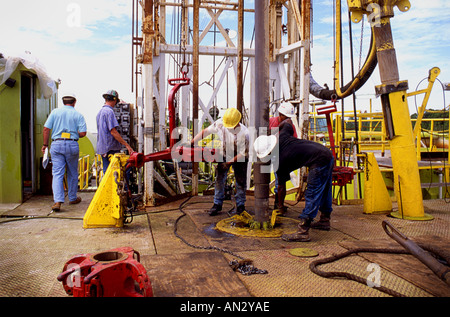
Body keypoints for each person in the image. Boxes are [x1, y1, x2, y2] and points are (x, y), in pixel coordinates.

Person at [255, 119, 334, 242]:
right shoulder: (282, 136)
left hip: (318, 161)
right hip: (326, 153)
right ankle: (325, 220)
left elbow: (281, 187)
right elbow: (288, 121)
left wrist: (279, 206)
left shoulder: (280, 161)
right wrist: (273, 130)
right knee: (325, 190)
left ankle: (303, 230)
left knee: (312, 193)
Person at [191, 108, 250, 216]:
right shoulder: (220, 124)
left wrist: (228, 163)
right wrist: (192, 142)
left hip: (240, 157)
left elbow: (242, 153)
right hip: (224, 153)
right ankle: (217, 204)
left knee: (240, 181)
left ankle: (240, 205)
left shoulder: (245, 134)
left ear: (237, 124)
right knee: (219, 178)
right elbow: (205, 132)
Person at [42, 93, 87, 211]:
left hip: (56, 144)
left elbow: (46, 129)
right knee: (72, 172)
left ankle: (57, 202)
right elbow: (83, 133)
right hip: (72, 144)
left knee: (57, 173)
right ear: (74, 102)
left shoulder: (55, 112)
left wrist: (45, 145)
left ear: (63, 101)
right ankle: (72, 198)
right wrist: (72, 132)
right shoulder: (78, 115)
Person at [96, 90, 134, 174]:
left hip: (102, 148)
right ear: (114, 100)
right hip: (110, 148)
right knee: (124, 168)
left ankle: (107, 186)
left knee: (107, 171)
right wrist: (126, 145)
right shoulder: (109, 112)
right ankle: (124, 187)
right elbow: (113, 132)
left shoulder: (100, 112)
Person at [269, 101, 297, 209]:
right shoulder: (271, 122)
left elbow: (293, 141)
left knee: (281, 181)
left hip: (281, 155)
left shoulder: (291, 126)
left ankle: (278, 204)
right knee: (262, 177)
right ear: (280, 114)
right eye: (285, 118)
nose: (288, 120)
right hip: (268, 153)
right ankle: (263, 202)